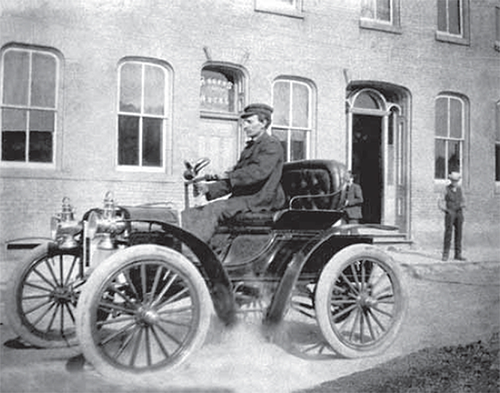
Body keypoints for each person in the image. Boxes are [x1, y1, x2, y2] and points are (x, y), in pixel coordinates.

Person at [181, 103, 285, 242]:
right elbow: (236, 179)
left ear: (263, 123)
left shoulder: (271, 145)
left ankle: (192, 253)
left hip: (261, 199)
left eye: (249, 122)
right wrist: (207, 189)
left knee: (215, 209)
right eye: (244, 122)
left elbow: (256, 173)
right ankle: (185, 248)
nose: (245, 126)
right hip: (246, 198)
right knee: (192, 213)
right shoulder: (250, 147)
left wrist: (226, 175)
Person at [438, 171, 466, 261]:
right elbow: (440, 202)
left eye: (456, 180)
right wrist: (446, 210)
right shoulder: (446, 189)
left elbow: (464, 200)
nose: (455, 182)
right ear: (451, 180)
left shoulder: (460, 189)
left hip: (459, 213)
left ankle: (458, 254)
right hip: (450, 214)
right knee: (448, 233)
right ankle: (445, 254)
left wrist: (462, 205)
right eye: (453, 180)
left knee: (459, 233)